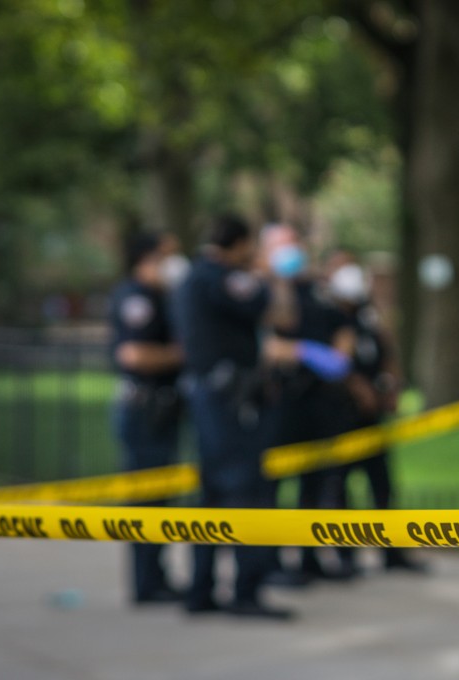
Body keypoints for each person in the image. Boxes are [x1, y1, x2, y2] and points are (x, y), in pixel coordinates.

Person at [173, 214, 307, 619]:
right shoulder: (225, 277)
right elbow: (283, 316)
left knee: (212, 495)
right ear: (241, 243)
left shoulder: (195, 277)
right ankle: (246, 591)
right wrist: (275, 276)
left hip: (211, 397)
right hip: (231, 401)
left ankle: (202, 590)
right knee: (246, 492)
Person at [259, 225, 357, 582]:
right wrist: (304, 351)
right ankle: (268, 562)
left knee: (315, 483)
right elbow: (268, 342)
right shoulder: (260, 291)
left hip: (320, 401)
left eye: (293, 245)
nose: (289, 253)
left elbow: (344, 328)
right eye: (280, 246)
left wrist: (337, 355)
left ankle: (309, 557)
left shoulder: (319, 291)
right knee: (270, 485)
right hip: (280, 400)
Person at [326, 258, 426, 574]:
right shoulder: (333, 320)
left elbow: (387, 355)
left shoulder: (369, 321)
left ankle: (391, 551)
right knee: (340, 488)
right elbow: (339, 363)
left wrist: (391, 387)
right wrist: (360, 390)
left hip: (372, 419)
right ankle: (346, 555)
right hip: (344, 417)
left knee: (382, 485)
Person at [109, 231, 185, 606]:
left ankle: (156, 577)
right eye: (166, 256)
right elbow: (133, 355)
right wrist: (183, 353)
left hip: (162, 409)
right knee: (145, 500)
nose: (174, 264)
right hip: (143, 410)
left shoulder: (162, 297)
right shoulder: (135, 297)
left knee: (160, 499)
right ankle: (146, 583)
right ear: (146, 259)